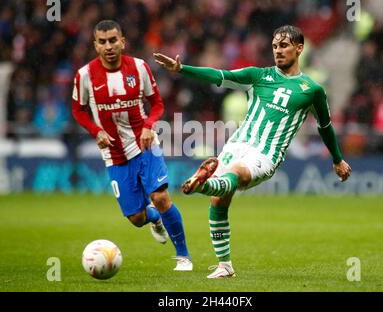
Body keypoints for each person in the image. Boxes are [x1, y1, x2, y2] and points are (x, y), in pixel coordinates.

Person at [154, 25, 352, 278]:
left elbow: (325, 126)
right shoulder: (257, 76)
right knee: (219, 200)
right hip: (236, 145)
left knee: (236, 176)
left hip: (266, 154)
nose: (278, 51)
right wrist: (182, 69)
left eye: (284, 46)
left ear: (299, 48)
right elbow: (219, 75)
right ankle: (225, 265)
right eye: (275, 46)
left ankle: (202, 184)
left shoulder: (312, 90)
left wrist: (337, 159)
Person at [72, 20, 192, 271]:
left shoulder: (138, 68)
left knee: (160, 196)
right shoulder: (84, 75)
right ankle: (154, 219)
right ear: (95, 45)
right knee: (136, 218)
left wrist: (149, 125)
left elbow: (157, 103)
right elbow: (78, 110)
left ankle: (183, 257)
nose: (108, 46)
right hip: (114, 153)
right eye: (102, 42)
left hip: (145, 143)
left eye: (113, 40)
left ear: (122, 42)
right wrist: (96, 131)